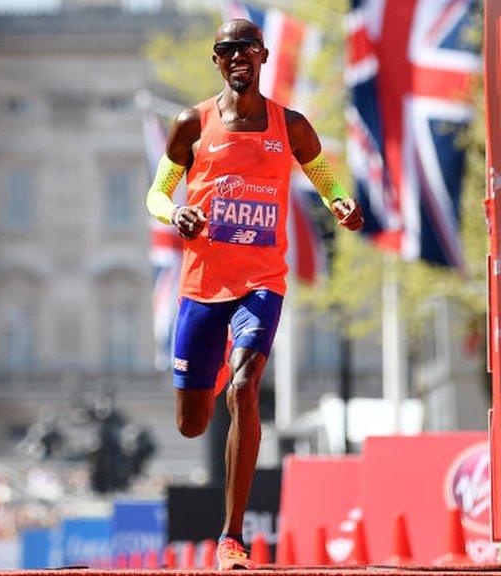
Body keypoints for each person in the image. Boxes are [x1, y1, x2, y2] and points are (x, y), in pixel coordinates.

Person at [145, 19, 364, 569]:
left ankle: (231, 538)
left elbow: (325, 174)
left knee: (246, 388)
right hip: (202, 285)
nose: (238, 55)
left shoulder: (289, 125)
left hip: (260, 281)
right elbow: (157, 191)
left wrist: (339, 203)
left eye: (247, 47)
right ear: (216, 61)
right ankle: (212, 367)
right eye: (227, 49)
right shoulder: (190, 123)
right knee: (192, 422)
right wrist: (177, 213)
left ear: (263, 56)